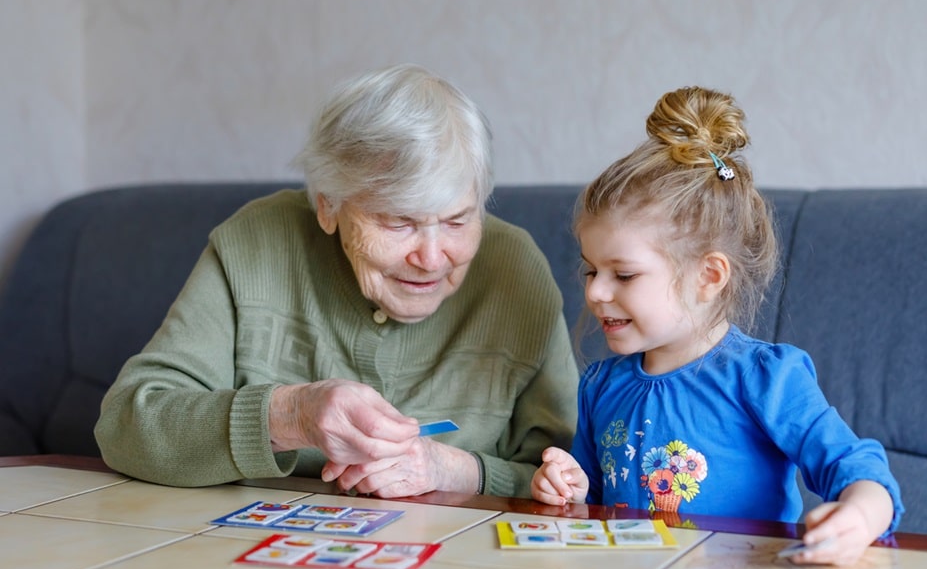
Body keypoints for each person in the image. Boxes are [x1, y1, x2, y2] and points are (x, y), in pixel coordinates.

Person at [95, 63, 578, 498]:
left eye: (457, 221)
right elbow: (126, 429)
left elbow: (583, 476)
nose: (432, 259)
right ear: (328, 204)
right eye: (398, 222)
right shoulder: (256, 244)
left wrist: (453, 470)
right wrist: (290, 415)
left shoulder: (515, 269)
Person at [530, 86, 903, 565]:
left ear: (708, 277)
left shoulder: (766, 378)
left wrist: (860, 515)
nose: (596, 292)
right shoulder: (600, 387)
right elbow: (593, 502)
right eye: (590, 270)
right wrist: (568, 487)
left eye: (623, 274)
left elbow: (856, 467)